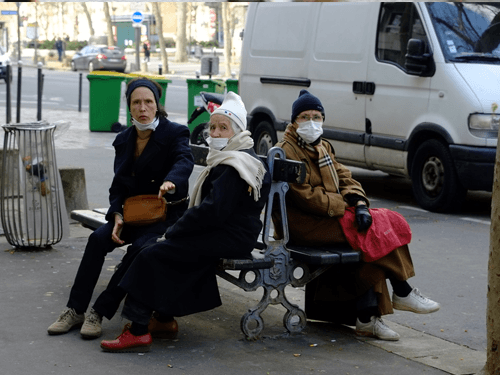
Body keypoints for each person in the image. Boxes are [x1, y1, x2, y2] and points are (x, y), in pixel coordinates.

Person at [99, 92, 272, 353]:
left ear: (237, 132)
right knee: (153, 250)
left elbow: (212, 212)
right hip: (224, 233)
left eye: (223, 128)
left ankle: (138, 331)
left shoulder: (235, 165)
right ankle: (164, 320)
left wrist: (174, 230)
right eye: (212, 126)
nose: (214, 132)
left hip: (229, 237)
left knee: (152, 253)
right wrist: (178, 231)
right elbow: (210, 213)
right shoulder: (232, 158)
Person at [272, 89, 440, 341]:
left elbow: (345, 177)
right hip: (302, 224)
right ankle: (401, 291)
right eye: (304, 117)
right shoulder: (286, 150)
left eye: (316, 116)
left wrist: (359, 203)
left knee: (378, 227)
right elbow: (304, 196)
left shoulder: (323, 146)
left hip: (327, 218)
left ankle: (367, 317)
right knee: (372, 232)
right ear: (294, 121)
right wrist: (344, 205)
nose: (311, 122)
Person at [47, 77, 194, 339]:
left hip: (165, 217)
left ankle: (99, 312)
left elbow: (184, 159)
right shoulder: (124, 139)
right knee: (96, 239)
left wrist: (172, 180)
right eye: (136, 102)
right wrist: (115, 214)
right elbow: (118, 187)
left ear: (157, 105)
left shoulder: (175, 132)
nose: (143, 108)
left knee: (140, 251)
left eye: (148, 102)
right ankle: (75, 309)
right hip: (132, 214)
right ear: (129, 107)